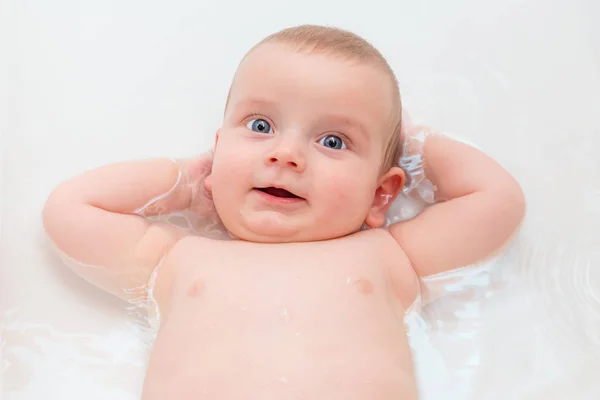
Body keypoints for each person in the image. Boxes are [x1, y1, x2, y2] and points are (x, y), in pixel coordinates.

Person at [42, 24, 526, 399]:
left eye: (333, 140)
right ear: (217, 151)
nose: (286, 153)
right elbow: (70, 211)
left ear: (382, 194)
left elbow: (495, 202)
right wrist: (184, 183)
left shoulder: (390, 257)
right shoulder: (176, 258)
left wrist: (414, 144)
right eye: (260, 125)